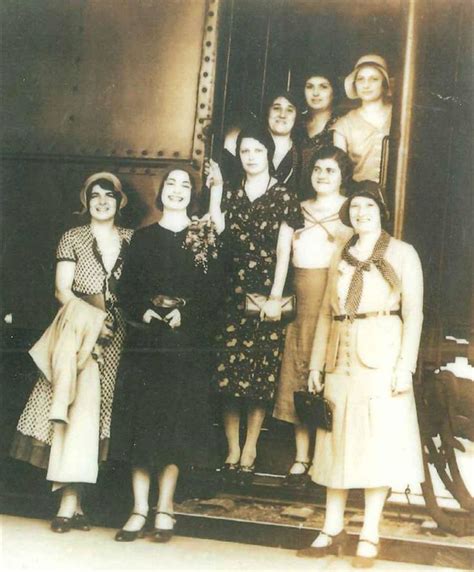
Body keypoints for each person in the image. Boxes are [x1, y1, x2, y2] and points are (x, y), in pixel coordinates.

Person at [297, 180, 424, 567]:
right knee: (336, 442)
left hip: (381, 354)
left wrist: (405, 367)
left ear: (381, 211)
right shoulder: (342, 252)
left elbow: (414, 314)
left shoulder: (403, 254)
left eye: (369, 207)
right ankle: (332, 528)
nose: (361, 213)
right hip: (340, 354)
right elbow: (324, 312)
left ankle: (370, 533)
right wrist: (317, 365)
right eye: (355, 208)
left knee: (377, 442)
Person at [10, 172, 133, 533]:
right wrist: (95, 321)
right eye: (94, 195)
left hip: (120, 337)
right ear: (86, 201)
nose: (101, 201)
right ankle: (67, 502)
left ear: (119, 200)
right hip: (81, 333)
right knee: (76, 409)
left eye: (108, 195)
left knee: (100, 414)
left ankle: (79, 503)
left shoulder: (131, 239)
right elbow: (62, 290)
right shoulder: (73, 237)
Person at [109, 167, 220, 543]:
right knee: (140, 425)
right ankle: (138, 509)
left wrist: (183, 312)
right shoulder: (142, 239)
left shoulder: (203, 238)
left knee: (174, 425)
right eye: (170, 184)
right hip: (145, 346)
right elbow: (126, 291)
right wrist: (145, 311)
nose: (177, 190)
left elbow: (212, 293)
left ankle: (165, 509)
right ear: (161, 193)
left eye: (185, 185)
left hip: (183, 347)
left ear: (193, 194)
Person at [207, 125, 304, 485]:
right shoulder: (232, 193)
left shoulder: (283, 196)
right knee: (229, 374)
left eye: (257, 151)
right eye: (245, 152)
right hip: (232, 290)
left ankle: (250, 448)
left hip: (265, 291)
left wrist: (276, 296)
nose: (250, 157)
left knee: (259, 376)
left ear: (268, 155)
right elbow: (218, 231)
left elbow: (283, 250)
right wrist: (216, 191)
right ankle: (233, 449)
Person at [273, 146, 352, 484]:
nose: (322, 175)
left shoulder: (352, 210)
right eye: (317, 169)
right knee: (299, 370)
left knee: (329, 372)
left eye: (330, 170)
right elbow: (282, 254)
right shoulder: (298, 209)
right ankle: (301, 457)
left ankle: (325, 458)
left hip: (333, 296)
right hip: (302, 294)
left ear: (342, 176)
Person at [333, 54, 392, 183]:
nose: (366, 85)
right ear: (355, 84)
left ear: (384, 83)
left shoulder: (400, 116)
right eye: (360, 79)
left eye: (374, 79)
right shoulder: (343, 125)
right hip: (359, 197)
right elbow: (339, 174)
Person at [300, 69, 340, 187]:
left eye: (323, 87)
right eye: (309, 86)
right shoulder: (296, 123)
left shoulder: (342, 126)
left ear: (334, 92)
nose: (315, 93)